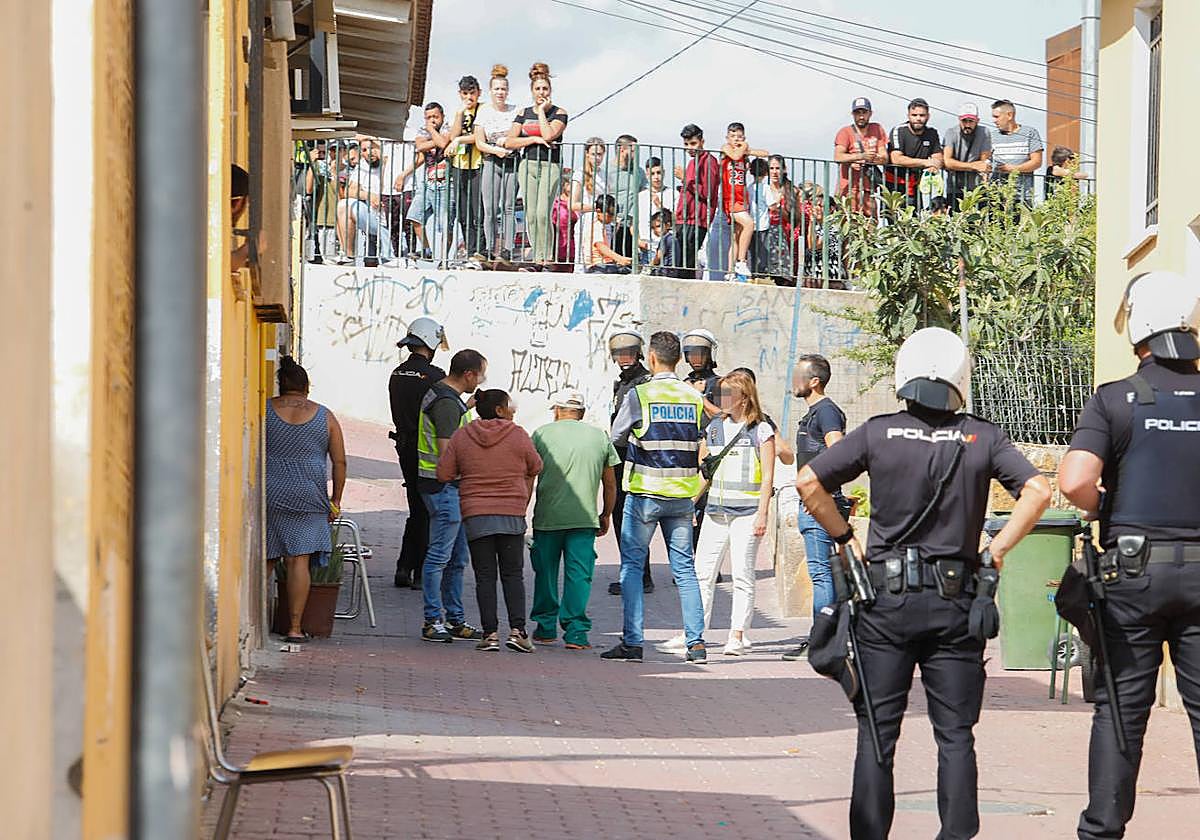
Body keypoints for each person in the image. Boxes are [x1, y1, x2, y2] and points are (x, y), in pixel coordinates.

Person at [798, 327, 1052, 840]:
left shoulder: (879, 432)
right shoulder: (982, 436)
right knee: (955, 734)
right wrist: (996, 552)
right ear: (960, 379)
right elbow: (1039, 490)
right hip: (955, 602)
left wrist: (844, 536)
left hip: (886, 602)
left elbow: (808, 481)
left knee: (877, 734)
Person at [1056, 271, 1200, 840]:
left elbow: (1074, 481)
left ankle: (1102, 830)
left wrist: (1105, 506)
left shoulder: (1116, 399)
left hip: (1134, 574)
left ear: (1139, 326)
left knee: (1121, 709)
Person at [602, 331, 708, 664]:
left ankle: (633, 643)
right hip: (682, 495)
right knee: (685, 570)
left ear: (650, 357)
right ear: (678, 359)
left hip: (645, 493)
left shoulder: (641, 394)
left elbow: (616, 437)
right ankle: (696, 643)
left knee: (632, 568)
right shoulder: (693, 396)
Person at [437, 389, 542, 653]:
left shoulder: (462, 435)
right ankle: (518, 632)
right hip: (511, 512)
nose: (512, 411)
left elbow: (444, 473)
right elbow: (536, 465)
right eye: (509, 406)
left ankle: (490, 634)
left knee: (484, 575)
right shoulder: (518, 434)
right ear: (499, 410)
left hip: (476, 514)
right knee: (512, 574)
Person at [692, 370, 776, 655]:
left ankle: (737, 635)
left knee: (742, 574)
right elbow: (706, 471)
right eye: (721, 393)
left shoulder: (761, 430)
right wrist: (690, 503)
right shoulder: (714, 428)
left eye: (729, 393)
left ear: (744, 398)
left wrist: (763, 514)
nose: (723, 399)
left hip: (747, 513)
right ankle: (695, 633)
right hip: (715, 511)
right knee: (702, 573)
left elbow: (768, 477)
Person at [265, 356, 347, 643]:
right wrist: (336, 500)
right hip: (308, 495)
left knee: (266, 558)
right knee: (298, 561)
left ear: (281, 384)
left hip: (270, 492)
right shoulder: (325, 416)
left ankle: (251, 619)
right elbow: (339, 462)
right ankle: (295, 628)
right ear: (306, 386)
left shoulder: (265, 410)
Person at [530, 391, 619, 649]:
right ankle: (576, 633)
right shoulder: (599, 437)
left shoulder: (541, 434)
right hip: (584, 519)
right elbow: (610, 483)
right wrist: (606, 514)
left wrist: (520, 511)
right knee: (579, 576)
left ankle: (545, 628)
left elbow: (527, 477)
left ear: (557, 411)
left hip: (547, 517)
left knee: (545, 573)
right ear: (581, 413)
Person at [416, 349, 488, 643]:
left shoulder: (445, 397)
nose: (481, 380)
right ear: (468, 374)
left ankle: (455, 619)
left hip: (446, 487)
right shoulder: (446, 403)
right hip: (443, 487)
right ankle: (432, 620)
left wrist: (466, 407)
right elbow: (447, 452)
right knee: (439, 557)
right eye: (480, 375)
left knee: (457, 558)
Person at [782, 354, 849, 661]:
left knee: (821, 574)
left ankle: (822, 641)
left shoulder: (826, 412)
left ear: (814, 381)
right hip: (815, 502)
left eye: (799, 375)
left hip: (819, 504)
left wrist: (820, 493)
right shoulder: (815, 413)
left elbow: (839, 454)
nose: (794, 381)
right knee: (824, 574)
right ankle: (827, 638)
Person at [388, 318, 448, 589]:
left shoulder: (397, 373)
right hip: (426, 450)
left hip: (403, 447)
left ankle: (404, 566)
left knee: (416, 507)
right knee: (427, 510)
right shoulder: (435, 377)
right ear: (431, 342)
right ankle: (421, 571)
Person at [605, 330, 659, 596]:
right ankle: (634, 572)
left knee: (633, 516)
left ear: (638, 353)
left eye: (628, 353)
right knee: (620, 516)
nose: (624, 358)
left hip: (636, 456)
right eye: (619, 354)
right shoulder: (622, 383)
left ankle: (640, 575)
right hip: (620, 458)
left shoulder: (645, 383)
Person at [508, 62, 568, 267]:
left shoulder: (559, 113)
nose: (541, 92)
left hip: (550, 165)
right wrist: (533, 140)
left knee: (543, 213)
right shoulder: (523, 113)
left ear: (550, 90)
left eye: (545, 88)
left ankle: (547, 255)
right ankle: (537, 256)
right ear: (532, 90)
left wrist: (542, 112)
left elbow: (549, 135)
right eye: (537, 88)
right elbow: (510, 141)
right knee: (531, 214)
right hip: (528, 164)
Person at [472, 64, 520, 262]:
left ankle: (508, 249)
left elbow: (519, 134)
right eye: (497, 89)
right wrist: (496, 150)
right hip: (492, 160)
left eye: (503, 89)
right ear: (491, 91)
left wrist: (508, 145)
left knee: (509, 206)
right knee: (490, 208)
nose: (500, 92)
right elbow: (479, 142)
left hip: (512, 161)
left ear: (507, 91)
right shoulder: (484, 112)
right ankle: (489, 248)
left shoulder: (516, 110)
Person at [720, 122, 769, 281]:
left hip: (742, 199)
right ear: (727, 138)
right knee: (749, 224)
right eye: (732, 136)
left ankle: (730, 272)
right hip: (731, 199)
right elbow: (734, 156)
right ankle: (741, 261)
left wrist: (748, 149)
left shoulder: (744, 152)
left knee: (736, 235)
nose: (736, 139)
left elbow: (765, 153)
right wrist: (744, 148)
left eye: (739, 136)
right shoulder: (726, 149)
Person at [445, 75, 485, 259]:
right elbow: (453, 136)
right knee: (463, 212)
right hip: (459, 164)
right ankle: (470, 250)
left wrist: (460, 139)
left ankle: (480, 250)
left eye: (472, 93)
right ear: (460, 94)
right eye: (465, 93)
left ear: (479, 93)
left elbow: (479, 136)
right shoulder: (458, 112)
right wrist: (459, 115)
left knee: (478, 210)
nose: (469, 97)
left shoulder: (483, 110)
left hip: (478, 164)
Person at [674, 123, 721, 278]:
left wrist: (685, 179)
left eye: (693, 143)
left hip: (696, 220)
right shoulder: (692, 162)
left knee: (685, 263)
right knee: (679, 261)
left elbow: (707, 193)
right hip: (684, 218)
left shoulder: (709, 161)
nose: (690, 148)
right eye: (686, 144)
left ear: (702, 141)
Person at [336, 137, 393, 265]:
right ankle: (348, 256)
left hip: (391, 215)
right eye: (364, 150)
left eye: (372, 148)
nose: (369, 152)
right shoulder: (363, 165)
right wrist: (370, 196)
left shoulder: (391, 162)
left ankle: (392, 256)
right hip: (373, 217)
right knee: (343, 205)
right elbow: (349, 191)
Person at [407, 102, 453, 263]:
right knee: (414, 216)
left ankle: (444, 260)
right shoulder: (422, 129)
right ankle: (426, 250)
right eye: (428, 117)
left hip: (446, 182)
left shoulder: (448, 126)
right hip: (428, 182)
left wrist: (432, 132)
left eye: (435, 116)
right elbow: (420, 146)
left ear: (442, 116)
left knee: (445, 225)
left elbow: (443, 143)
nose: (432, 120)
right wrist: (436, 139)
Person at [885, 98, 943, 211]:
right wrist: (926, 162)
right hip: (895, 186)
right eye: (914, 115)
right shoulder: (898, 130)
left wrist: (934, 165)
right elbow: (896, 158)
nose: (918, 118)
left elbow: (938, 157)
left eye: (922, 115)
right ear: (908, 116)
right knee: (893, 219)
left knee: (915, 218)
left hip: (916, 185)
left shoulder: (932, 133)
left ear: (928, 116)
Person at [834, 97, 889, 216]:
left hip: (869, 187)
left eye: (864, 112)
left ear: (870, 113)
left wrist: (875, 158)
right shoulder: (845, 132)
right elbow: (838, 157)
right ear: (852, 114)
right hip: (849, 187)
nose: (861, 116)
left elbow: (884, 156)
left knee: (871, 221)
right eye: (857, 113)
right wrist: (861, 156)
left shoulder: (877, 128)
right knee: (849, 220)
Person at [989, 99, 1043, 206]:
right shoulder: (991, 136)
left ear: (1009, 115)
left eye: (996, 117)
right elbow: (986, 160)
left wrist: (1013, 169)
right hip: (997, 197)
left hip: (1022, 197)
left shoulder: (1030, 133)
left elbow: (1037, 162)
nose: (994, 120)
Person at [942, 103, 993, 211]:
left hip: (977, 190)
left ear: (977, 121)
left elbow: (984, 163)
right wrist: (973, 166)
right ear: (959, 120)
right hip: (955, 189)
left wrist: (960, 166)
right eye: (964, 121)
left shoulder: (984, 132)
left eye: (971, 121)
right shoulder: (951, 132)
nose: (967, 124)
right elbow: (948, 162)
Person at [571, 137, 608, 269]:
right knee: (582, 263)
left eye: (600, 154)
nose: (597, 158)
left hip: (602, 223)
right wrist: (596, 207)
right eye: (593, 154)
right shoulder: (579, 173)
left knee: (601, 262)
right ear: (587, 154)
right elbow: (573, 204)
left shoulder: (604, 174)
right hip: (586, 221)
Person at [610, 134, 648, 260]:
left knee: (629, 264)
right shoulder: (606, 171)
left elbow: (646, 193)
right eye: (632, 150)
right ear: (622, 149)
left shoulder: (639, 172)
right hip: (611, 225)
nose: (636, 154)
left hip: (631, 226)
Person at [581, 194, 632, 274]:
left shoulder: (601, 225)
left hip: (604, 264)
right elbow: (600, 246)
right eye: (610, 214)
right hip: (597, 266)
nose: (612, 218)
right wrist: (620, 258)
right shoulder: (596, 225)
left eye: (614, 214)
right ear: (598, 211)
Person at [636, 156, 670, 264]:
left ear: (664, 173)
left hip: (665, 248)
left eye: (659, 173)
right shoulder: (641, 196)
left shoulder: (673, 194)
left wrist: (659, 205)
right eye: (652, 173)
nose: (656, 177)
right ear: (647, 175)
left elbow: (676, 220)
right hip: (645, 248)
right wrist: (638, 241)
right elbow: (633, 223)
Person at [747, 157, 772, 277]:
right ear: (766, 172)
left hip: (750, 225)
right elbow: (772, 205)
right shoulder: (766, 188)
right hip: (763, 225)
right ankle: (761, 274)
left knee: (752, 252)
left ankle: (752, 273)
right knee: (762, 253)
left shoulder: (749, 188)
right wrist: (779, 200)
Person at [549, 169, 577, 271]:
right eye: (570, 184)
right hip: (560, 250)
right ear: (564, 185)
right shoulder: (556, 204)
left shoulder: (579, 202)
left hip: (577, 250)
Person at [647, 210, 678, 277]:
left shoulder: (665, 239)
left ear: (668, 225)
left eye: (658, 226)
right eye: (653, 228)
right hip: (672, 272)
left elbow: (658, 257)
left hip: (665, 272)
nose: (655, 230)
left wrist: (649, 266)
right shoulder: (672, 238)